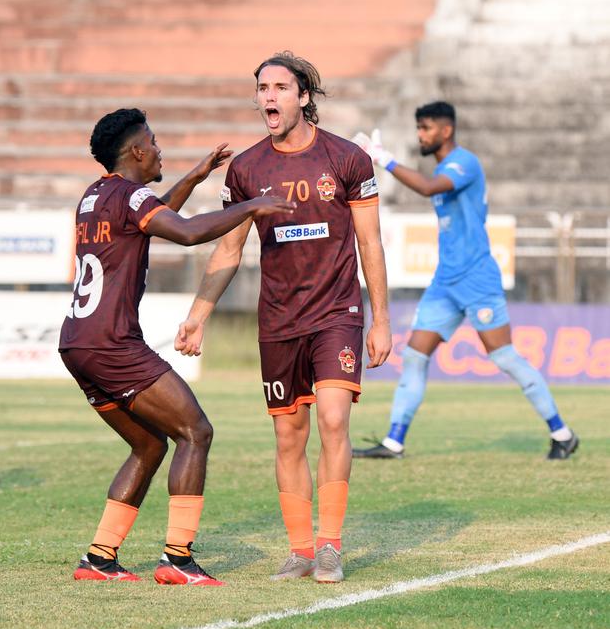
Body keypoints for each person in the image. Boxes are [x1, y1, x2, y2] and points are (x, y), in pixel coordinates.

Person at [174, 52, 392, 583]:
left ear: (303, 97)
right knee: (289, 436)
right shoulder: (247, 169)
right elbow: (227, 252)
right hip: (277, 319)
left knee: (334, 420)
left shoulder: (346, 159)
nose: (268, 96)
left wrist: (380, 320)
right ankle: (299, 551)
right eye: (262, 88)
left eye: (279, 87)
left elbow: (370, 242)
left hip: (337, 313)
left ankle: (330, 546)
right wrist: (198, 316)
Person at [59, 108, 294, 584]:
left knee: (148, 445)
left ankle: (100, 558)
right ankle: (177, 559)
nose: (159, 147)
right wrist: (248, 207)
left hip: (77, 343)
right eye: (154, 140)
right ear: (137, 151)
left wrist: (194, 177)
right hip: (112, 343)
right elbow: (185, 234)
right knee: (196, 432)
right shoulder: (131, 196)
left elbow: (158, 212)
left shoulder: (96, 195)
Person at [352, 101, 579, 461]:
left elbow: (428, 187)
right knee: (414, 356)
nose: (420, 135)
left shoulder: (464, 163)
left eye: (425, 128)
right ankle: (394, 442)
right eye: (419, 128)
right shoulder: (445, 166)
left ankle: (562, 433)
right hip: (446, 282)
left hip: (477, 278)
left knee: (504, 356)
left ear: (446, 130)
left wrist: (383, 158)